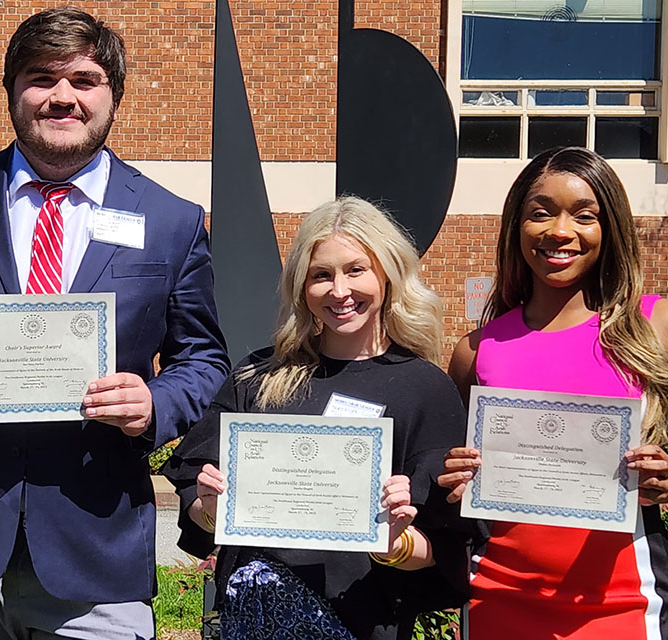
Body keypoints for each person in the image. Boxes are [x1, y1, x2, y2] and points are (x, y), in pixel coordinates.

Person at [0, 7, 229, 640]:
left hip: (96, 541)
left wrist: (154, 404)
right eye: (40, 77)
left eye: (84, 80)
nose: (62, 97)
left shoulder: (172, 220)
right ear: (11, 90)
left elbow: (204, 360)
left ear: (114, 95)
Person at [164, 197, 469, 640]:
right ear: (300, 287)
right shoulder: (258, 377)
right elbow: (195, 491)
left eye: (356, 270)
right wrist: (209, 510)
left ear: (387, 273)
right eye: (321, 275)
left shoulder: (425, 390)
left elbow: (447, 545)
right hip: (251, 621)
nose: (339, 290)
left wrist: (394, 544)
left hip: (361, 622)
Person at [438, 146, 668, 639]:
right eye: (540, 213)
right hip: (497, 600)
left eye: (584, 215)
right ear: (516, 227)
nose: (560, 231)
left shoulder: (662, 325)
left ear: (608, 226)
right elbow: (452, 481)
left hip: (622, 606)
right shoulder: (475, 351)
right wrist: (456, 478)